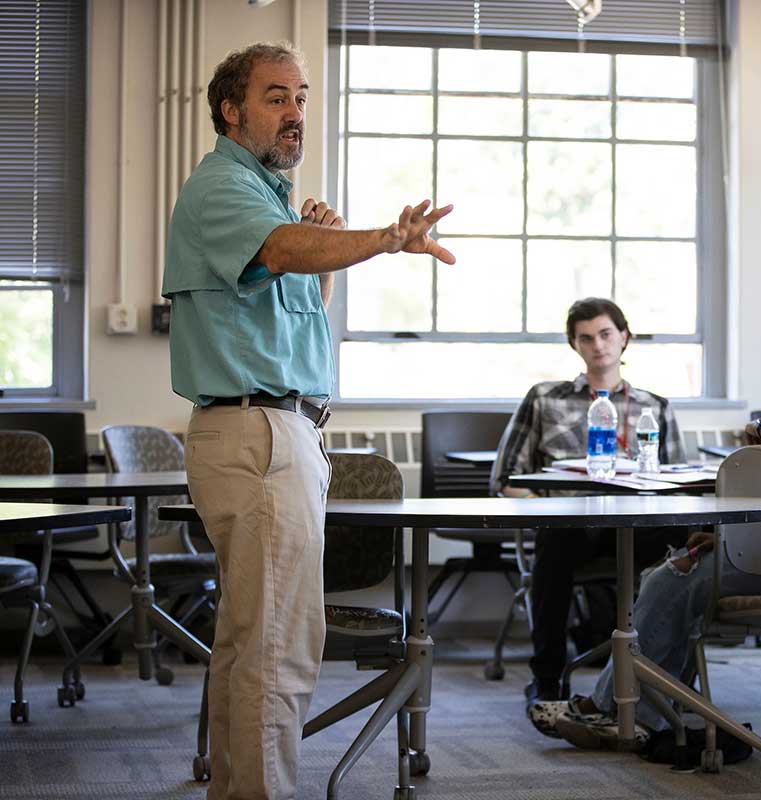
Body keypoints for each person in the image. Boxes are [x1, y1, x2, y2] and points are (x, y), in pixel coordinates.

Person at [163, 42, 454, 800]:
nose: (295, 113)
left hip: (278, 431)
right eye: (274, 97)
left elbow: (291, 321)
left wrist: (321, 261)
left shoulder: (267, 198)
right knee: (277, 651)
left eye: (300, 97)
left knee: (249, 645)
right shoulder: (225, 188)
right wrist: (384, 239)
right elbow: (284, 251)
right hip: (258, 436)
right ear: (231, 110)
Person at [530, 301, 761, 749]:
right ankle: (640, 709)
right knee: (669, 570)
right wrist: (725, 536)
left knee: (670, 581)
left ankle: (616, 710)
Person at [489, 297, 688, 721]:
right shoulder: (545, 398)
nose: (598, 345)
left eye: (605, 334)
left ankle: (674, 679)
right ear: (574, 345)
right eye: (586, 338)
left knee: (688, 537)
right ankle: (547, 679)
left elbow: (678, 489)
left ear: (624, 338)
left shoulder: (656, 407)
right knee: (556, 537)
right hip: (571, 526)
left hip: (636, 527)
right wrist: (547, 510)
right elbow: (505, 479)